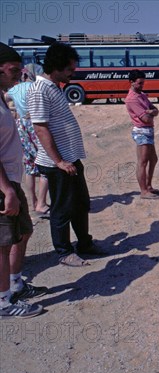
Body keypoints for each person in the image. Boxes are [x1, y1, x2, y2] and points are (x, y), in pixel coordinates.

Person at [28, 42, 102, 267]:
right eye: (70, 69)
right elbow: (40, 127)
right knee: (62, 208)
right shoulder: (39, 89)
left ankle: (85, 244)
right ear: (56, 67)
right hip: (57, 163)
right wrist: (58, 161)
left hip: (69, 159)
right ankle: (64, 252)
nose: (73, 73)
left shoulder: (54, 87)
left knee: (80, 204)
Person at [0, 42, 46, 318]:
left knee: (24, 231)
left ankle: (16, 284)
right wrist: (7, 189)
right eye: (14, 70)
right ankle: (4, 302)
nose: (19, 75)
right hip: (4, 186)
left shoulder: (2, 97)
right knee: (3, 245)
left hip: (12, 181)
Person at [5, 63, 50, 216]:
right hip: (35, 124)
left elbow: (5, 98)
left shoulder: (14, 89)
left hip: (21, 125)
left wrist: (13, 110)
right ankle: (42, 204)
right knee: (46, 163)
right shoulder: (35, 87)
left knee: (29, 166)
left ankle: (33, 202)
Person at [125, 69, 159, 200]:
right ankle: (143, 191)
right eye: (139, 83)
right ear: (132, 82)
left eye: (143, 83)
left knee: (153, 159)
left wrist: (150, 112)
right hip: (141, 131)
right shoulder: (132, 99)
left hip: (148, 131)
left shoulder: (142, 95)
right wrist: (151, 112)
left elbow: (155, 110)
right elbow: (146, 118)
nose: (141, 85)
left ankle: (148, 186)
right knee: (143, 161)